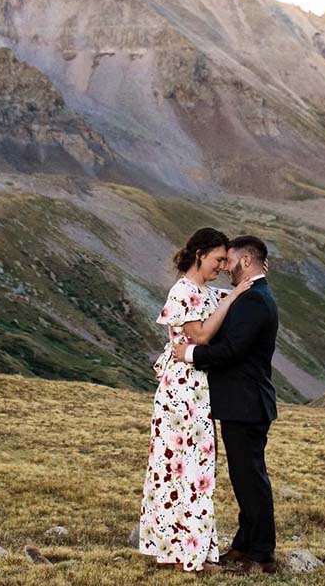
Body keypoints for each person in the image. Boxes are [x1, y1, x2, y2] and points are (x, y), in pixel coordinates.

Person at [138, 227, 256, 574]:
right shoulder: (182, 293)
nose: (222, 266)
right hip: (182, 392)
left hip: (197, 390)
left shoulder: (205, 292)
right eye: (218, 259)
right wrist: (233, 298)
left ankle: (185, 551)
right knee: (185, 467)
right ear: (201, 253)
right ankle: (187, 556)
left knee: (191, 468)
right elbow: (200, 334)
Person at [173, 235, 279, 575]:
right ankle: (244, 544)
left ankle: (261, 554)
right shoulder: (253, 295)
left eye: (229, 261)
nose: (225, 268)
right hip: (243, 403)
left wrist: (189, 354)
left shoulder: (254, 301)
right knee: (244, 477)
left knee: (250, 479)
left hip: (245, 404)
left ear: (245, 262)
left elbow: (231, 350)